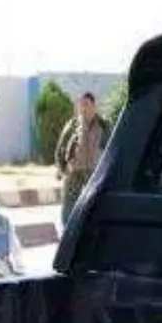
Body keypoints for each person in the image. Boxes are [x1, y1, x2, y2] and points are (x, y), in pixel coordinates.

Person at [54, 91, 111, 226]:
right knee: (69, 204)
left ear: (94, 106)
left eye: (86, 104)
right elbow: (61, 147)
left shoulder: (104, 125)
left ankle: (95, 228)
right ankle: (66, 230)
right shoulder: (73, 125)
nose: (83, 108)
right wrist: (61, 168)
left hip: (95, 172)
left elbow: (111, 148)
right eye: (81, 105)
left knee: (96, 202)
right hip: (74, 171)